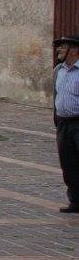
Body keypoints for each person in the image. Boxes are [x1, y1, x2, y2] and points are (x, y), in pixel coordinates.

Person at [55, 36, 79, 214]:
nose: (59, 50)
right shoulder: (58, 70)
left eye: (63, 46)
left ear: (75, 50)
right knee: (68, 163)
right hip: (63, 123)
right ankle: (75, 200)